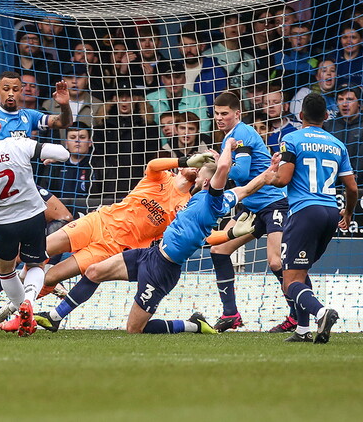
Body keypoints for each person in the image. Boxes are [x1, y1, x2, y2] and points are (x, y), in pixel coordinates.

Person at [75, 138, 276, 334]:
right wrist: (268, 174)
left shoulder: (213, 200)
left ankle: (193, 326)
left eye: (199, 175)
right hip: (152, 254)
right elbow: (247, 188)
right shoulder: (218, 199)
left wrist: (229, 146)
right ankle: (54, 317)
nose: (196, 176)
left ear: (207, 181)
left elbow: (222, 168)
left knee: (134, 329)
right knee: (94, 271)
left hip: (164, 267)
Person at [33, 151, 210, 332]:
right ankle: (16, 299)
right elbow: (153, 164)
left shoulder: (186, 205)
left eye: (200, 165)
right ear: (180, 166)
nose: (195, 166)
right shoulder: (162, 176)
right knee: (39, 249)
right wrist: (184, 160)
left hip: (113, 248)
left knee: (52, 277)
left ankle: (23, 311)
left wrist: (230, 234)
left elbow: (197, 233)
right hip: (98, 221)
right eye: (194, 161)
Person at [0, 71, 74, 326]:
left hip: (25, 190)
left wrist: (65, 104)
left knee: (64, 218)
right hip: (7, 192)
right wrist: (4, 148)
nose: (11, 93)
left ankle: (31, 281)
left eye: (16, 89)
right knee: (16, 257)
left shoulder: (29, 116)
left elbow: (62, 122)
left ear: (21, 91)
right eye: (6, 89)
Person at [272, 93, 358, 343]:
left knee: (290, 282)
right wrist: (349, 212)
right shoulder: (337, 144)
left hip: (304, 212)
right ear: (326, 116)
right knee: (301, 272)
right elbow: (352, 189)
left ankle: (322, 312)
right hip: (331, 213)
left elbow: (284, 179)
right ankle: (302, 330)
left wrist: (271, 173)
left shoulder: (291, 139)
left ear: (300, 116)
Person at [207, 92, 291, 333]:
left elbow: (242, 174)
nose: (220, 118)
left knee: (276, 262)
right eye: (217, 114)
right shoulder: (229, 139)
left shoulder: (241, 134)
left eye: (225, 114)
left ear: (237, 114)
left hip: (273, 204)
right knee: (219, 250)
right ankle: (230, 313)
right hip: (252, 206)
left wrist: (219, 167)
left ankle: (298, 315)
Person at [324, 83, 363, 187]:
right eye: (340, 99)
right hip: (334, 188)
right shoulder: (329, 127)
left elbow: (361, 164)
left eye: (349, 99)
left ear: (359, 103)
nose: (344, 104)